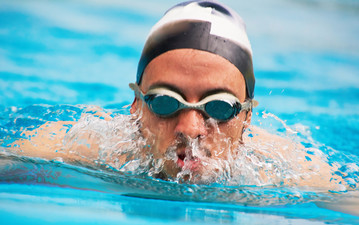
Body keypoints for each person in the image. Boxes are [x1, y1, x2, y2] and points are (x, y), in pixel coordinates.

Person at [8, 0, 341, 188]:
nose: (190, 127)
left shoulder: (290, 174)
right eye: (165, 101)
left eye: (220, 107)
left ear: (246, 117)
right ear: (136, 107)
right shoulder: (83, 149)